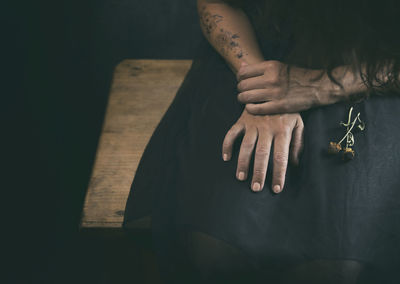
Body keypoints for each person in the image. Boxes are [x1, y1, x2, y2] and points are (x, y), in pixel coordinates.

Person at [124, 0, 400, 283]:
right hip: (257, 49)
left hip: (370, 72)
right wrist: (261, 88)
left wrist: (320, 86)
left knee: (337, 267)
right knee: (214, 248)